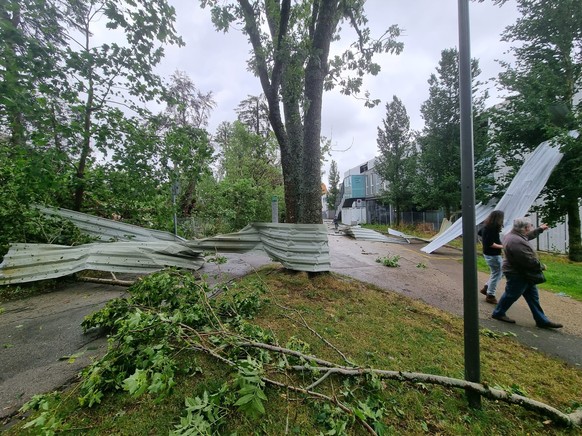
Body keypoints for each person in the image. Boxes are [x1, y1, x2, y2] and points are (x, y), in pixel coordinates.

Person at [491, 217, 563, 329]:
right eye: (530, 226)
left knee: (533, 297)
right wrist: (541, 266)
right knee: (511, 294)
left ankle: (541, 320)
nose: (531, 228)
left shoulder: (514, 235)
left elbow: (527, 237)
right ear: (525, 228)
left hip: (522, 273)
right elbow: (528, 260)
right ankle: (498, 313)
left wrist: (540, 229)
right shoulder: (516, 241)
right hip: (518, 273)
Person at [478, 210, 504, 304]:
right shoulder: (492, 229)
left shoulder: (486, 227)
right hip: (493, 255)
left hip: (488, 254)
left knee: (496, 273)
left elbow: (479, 233)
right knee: (497, 274)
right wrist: (503, 246)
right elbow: (491, 244)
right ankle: (490, 295)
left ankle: (487, 288)